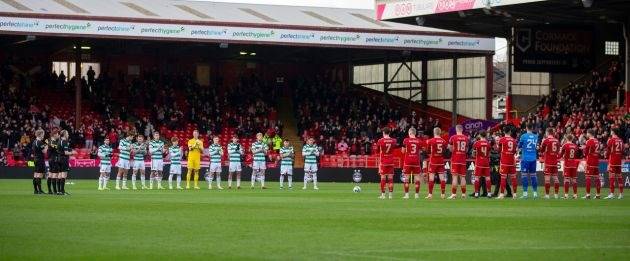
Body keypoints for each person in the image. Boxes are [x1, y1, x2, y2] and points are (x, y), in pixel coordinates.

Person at [401, 127, 423, 199]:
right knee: (417, 178)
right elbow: (420, 151)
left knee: (406, 178)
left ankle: (407, 195)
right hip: (416, 161)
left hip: (408, 161)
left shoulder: (406, 140)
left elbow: (403, 151)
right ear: (415, 133)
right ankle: (416, 195)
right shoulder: (419, 141)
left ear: (409, 133)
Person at [518, 123, 539, 198]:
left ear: (526, 128)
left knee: (524, 176)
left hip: (525, 159)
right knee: (533, 176)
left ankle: (525, 194)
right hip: (533, 158)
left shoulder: (523, 136)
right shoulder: (536, 136)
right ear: (532, 128)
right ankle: (535, 193)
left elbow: (519, 146)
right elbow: (537, 147)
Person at [448, 124, 468, 199]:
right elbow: (466, 150)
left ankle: (454, 194)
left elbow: (450, 149)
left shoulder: (453, 137)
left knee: (455, 177)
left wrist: (454, 150)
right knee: (463, 177)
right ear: (462, 130)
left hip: (455, 159)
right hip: (463, 159)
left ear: (456, 130)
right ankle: (463, 194)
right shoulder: (466, 138)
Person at [426, 127, 447, 199]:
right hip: (440, 160)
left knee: (431, 178)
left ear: (434, 132)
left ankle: (430, 194)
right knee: (442, 178)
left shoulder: (431, 140)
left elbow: (428, 150)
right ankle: (443, 194)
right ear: (440, 132)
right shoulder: (444, 141)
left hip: (433, 161)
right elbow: (444, 151)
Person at [498, 127, 518, 199]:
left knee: (503, 178)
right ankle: (515, 194)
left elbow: (499, 149)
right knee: (513, 178)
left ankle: (502, 194)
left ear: (504, 132)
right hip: (512, 161)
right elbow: (515, 151)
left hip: (504, 161)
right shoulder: (514, 140)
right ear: (510, 132)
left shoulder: (502, 139)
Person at [540, 128, 560, 199]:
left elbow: (541, 150)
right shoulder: (557, 141)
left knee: (547, 179)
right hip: (555, 162)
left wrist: (542, 144)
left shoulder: (546, 140)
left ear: (547, 132)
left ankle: (547, 195)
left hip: (548, 162)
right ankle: (556, 195)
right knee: (555, 178)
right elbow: (558, 152)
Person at [472, 131, 492, 198]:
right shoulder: (488, 143)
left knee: (477, 178)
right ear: (485, 135)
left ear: (480, 135)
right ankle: (489, 193)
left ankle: (476, 193)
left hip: (479, 162)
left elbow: (473, 153)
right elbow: (489, 153)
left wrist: (475, 154)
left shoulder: (477, 143)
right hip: (486, 162)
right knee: (488, 178)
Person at [605, 129, 624, 199]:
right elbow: (622, 151)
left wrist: (607, 158)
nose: (610, 132)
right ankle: (621, 194)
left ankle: (612, 193)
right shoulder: (621, 140)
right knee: (619, 177)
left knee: (611, 177)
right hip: (619, 160)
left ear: (613, 132)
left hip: (613, 160)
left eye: (611, 131)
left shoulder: (611, 140)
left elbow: (608, 151)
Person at [583, 129, 601, 199]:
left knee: (588, 177)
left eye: (587, 133)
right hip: (596, 161)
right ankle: (598, 194)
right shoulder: (597, 141)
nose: (586, 134)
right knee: (597, 178)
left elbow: (586, 153)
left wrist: (584, 149)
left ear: (589, 134)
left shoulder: (589, 141)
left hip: (590, 161)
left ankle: (588, 194)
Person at [559, 134, 579, 199]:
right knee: (574, 180)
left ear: (567, 139)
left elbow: (560, 155)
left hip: (567, 164)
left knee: (566, 179)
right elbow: (576, 155)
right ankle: (575, 195)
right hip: (573, 164)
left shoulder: (565, 145)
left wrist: (563, 155)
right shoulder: (575, 146)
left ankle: (566, 195)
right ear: (572, 139)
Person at [58, 130, 74, 195]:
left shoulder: (59, 141)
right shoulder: (64, 141)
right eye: (67, 133)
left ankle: (59, 191)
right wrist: (72, 153)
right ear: (64, 134)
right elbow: (66, 152)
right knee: (64, 175)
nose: (68, 135)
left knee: (60, 175)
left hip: (59, 159)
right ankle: (62, 191)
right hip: (64, 159)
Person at [32, 129, 47, 194]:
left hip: (35, 159)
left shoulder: (34, 141)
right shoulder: (39, 142)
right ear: (40, 134)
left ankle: (36, 190)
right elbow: (44, 151)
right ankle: (40, 190)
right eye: (43, 134)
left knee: (35, 174)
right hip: (40, 159)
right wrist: (47, 146)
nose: (43, 136)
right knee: (40, 174)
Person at [46, 131, 61, 195]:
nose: (58, 135)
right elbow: (58, 149)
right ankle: (55, 191)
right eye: (57, 134)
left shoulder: (49, 141)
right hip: (54, 159)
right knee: (55, 175)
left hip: (50, 160)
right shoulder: (53, 142)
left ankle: (50, 190)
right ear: (54, 135)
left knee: (50, 174)